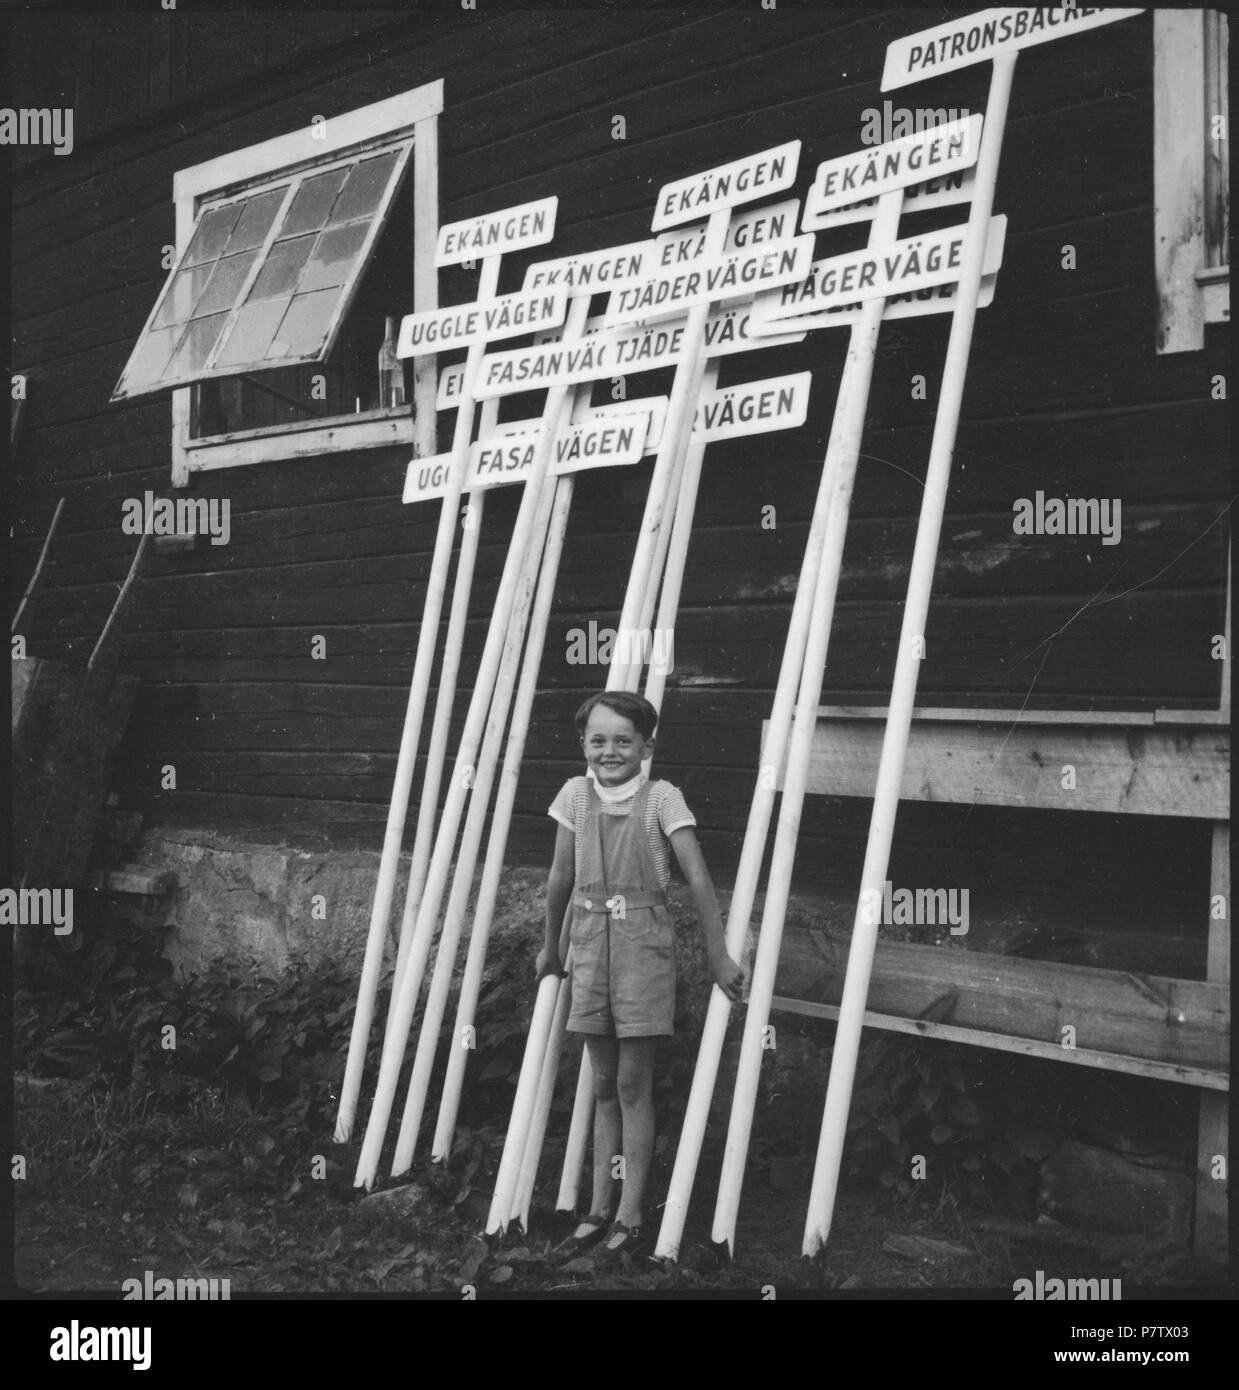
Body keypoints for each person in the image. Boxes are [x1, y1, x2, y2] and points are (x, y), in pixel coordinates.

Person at [536, 690, 745, 1260]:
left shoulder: (662, 798)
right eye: (598, 740)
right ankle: (598, 1208)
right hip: (586, 944)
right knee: (601, 1084)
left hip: (641, 950)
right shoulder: (574, 796)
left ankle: (630, 1215)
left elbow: (697, 878)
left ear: (647, 746)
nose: (609, 751)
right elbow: (559, 876)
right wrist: (550, 946)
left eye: (623, 741)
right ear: (583, 744)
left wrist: (717, 955)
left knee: (632, 1083)